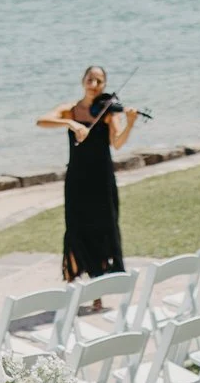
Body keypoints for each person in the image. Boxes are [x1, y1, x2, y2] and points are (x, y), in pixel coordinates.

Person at [38, 65, 137, 281]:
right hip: (77, 179)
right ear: (83, 80)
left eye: (99, 81)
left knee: (104, 228)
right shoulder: (69, 109)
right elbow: (41, 121)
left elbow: (117, 143)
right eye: (90, 80)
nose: (94, 85)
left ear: (105, 85)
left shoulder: (109, 113)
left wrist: (129, 124)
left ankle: (99, 287)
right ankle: (74, 281)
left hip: (102, 179)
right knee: (75, 228)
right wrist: (70, 123)